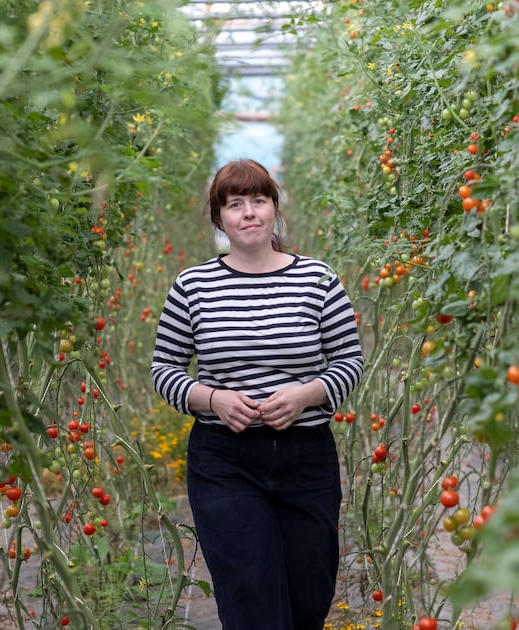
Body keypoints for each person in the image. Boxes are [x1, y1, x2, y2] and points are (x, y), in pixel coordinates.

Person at [150, 159, 364, 629]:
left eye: (258, 201)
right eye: (235, 204)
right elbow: (164, 369)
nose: (248, 213)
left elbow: (350, 362)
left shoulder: (318, 280)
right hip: (225, 462)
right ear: (219, 219)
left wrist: (307, 394)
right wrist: (212, 399)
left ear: (274, 209)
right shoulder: (192, 287)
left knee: (309, 598)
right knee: (253, 603)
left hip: (306, 460)